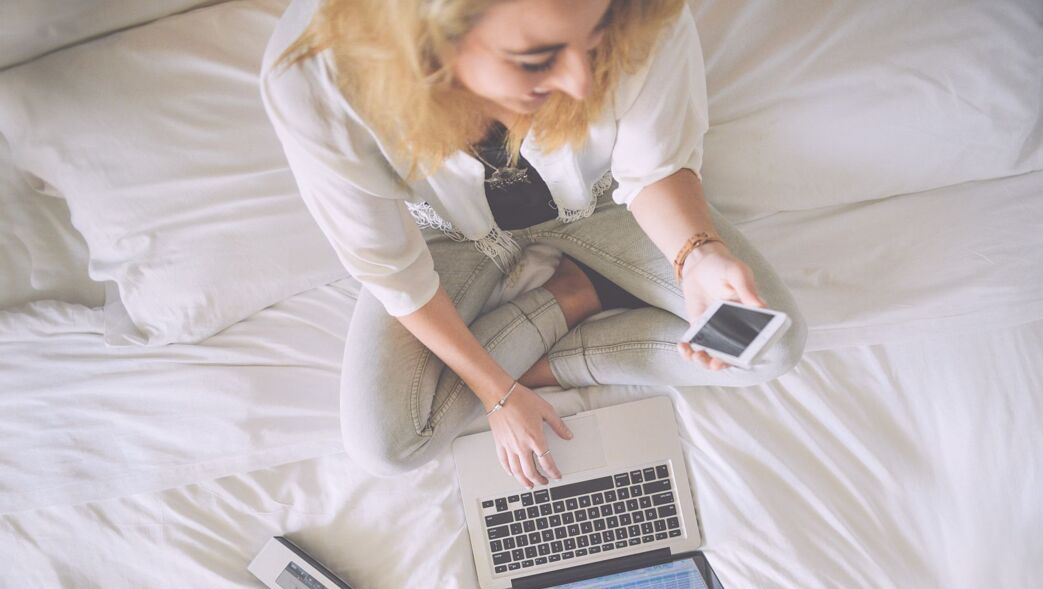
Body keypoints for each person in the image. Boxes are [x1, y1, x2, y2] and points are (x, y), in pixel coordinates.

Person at [260, 0, 806, 489]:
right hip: (445, 235)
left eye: (592, 44)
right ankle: (575, 296)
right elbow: (394, 272)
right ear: (428, 45)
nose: (581, 84)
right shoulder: (315, 78)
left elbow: (654, 167)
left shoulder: (641, 10)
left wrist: (696, 252)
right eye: (538, 58)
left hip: (604, 201)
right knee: (389, 447)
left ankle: (555, 337)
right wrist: (497, 394)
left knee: (768, 347)